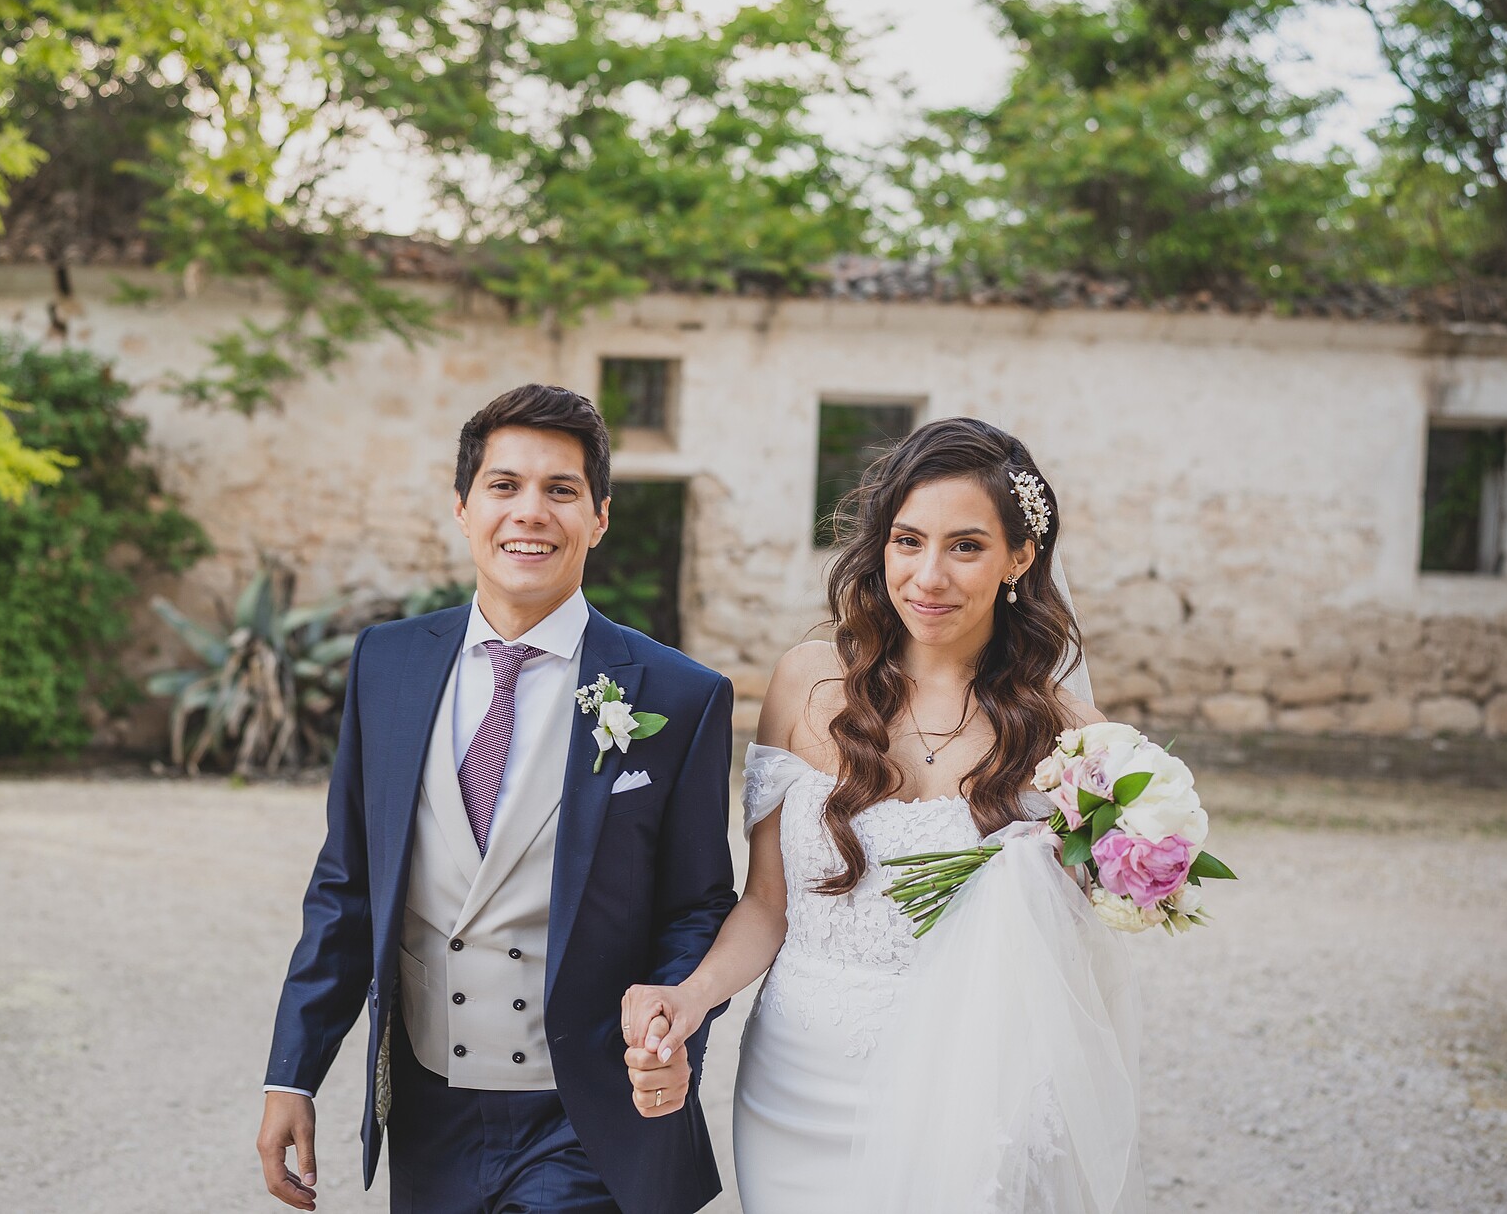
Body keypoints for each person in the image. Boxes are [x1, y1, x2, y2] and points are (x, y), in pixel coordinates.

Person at [621, 416, 1145, 1213]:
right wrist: (689, 998)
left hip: (973, 1087)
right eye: (908, 541)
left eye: (966, 546)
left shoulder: (1072, 737)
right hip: (796, 1081)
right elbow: (767, 905)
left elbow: (1071, 955)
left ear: (1021, 557)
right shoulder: (807, 682)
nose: (928, 575)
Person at [259, 383, 738, 1214]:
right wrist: (291, 1072)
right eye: (504, 486)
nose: (530, 513)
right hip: (426, 1111)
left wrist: (668, 1021)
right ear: (462, 507)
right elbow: (347, 886)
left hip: (586, 1115)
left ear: (600, 517)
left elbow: (698, 905)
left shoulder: (681, 695)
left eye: (561, 491)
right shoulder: (388, 663)